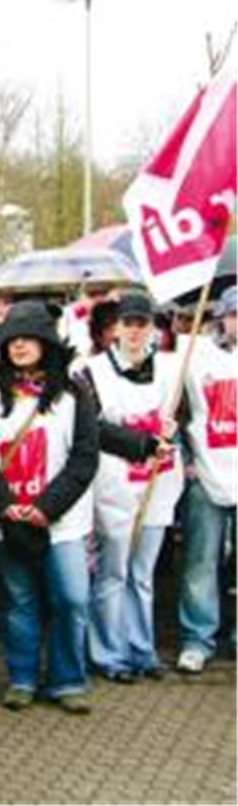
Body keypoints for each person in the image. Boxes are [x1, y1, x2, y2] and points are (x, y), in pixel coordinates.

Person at [0, 300, 99, 714]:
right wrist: (6, 504)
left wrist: (47, 507)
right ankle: (22, 678)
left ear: (47, 342)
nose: (19, 345)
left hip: (62, 523)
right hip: (10, 520)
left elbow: (84, 457)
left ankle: (67, 679)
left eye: (29, 338)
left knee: (72, 599)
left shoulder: (73, 394)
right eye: (12, 339)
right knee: (19, 602)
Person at [82, 292, 184, 682]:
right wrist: (139, 440)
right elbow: (92, 427)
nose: (136, 331)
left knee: (142, 572)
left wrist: (173, 424)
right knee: (113, 572)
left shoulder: (171, 369)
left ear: (153, 328)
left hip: (159, 482)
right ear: (116, 328)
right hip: (116, 484)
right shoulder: (92, 371)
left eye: (143, 323)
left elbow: (184, 414)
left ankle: (142, 649)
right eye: (128, 323)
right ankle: (110, 653)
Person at [176, 285, 237, 673]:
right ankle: (197, 638)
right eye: (235, 315)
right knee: (201, 562)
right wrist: (185, 459)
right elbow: (174, 409)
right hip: (207, 475)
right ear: (222, 317)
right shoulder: (196, 357)